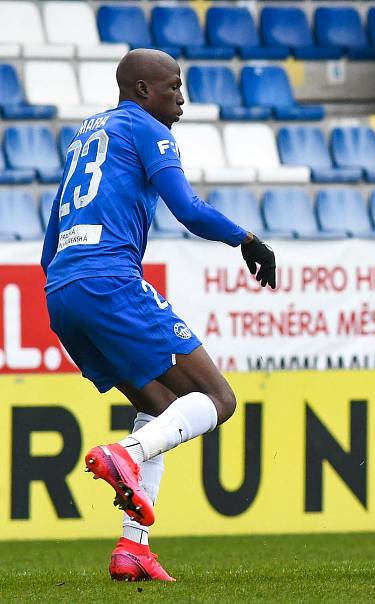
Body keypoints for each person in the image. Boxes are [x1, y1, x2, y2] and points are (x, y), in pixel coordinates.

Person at [40, 49, 276, 581]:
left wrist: (69, 288)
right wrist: (247, 239)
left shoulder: (84, 136)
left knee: (161, 407)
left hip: (62, 292)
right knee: (217, 399)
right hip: (110, 281)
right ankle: (125, 454)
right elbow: (188, 210)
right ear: (143, 90)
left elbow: (50, 240)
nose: (181, 97)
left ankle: (134, 547)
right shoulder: (146, 128)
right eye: (173, 86)